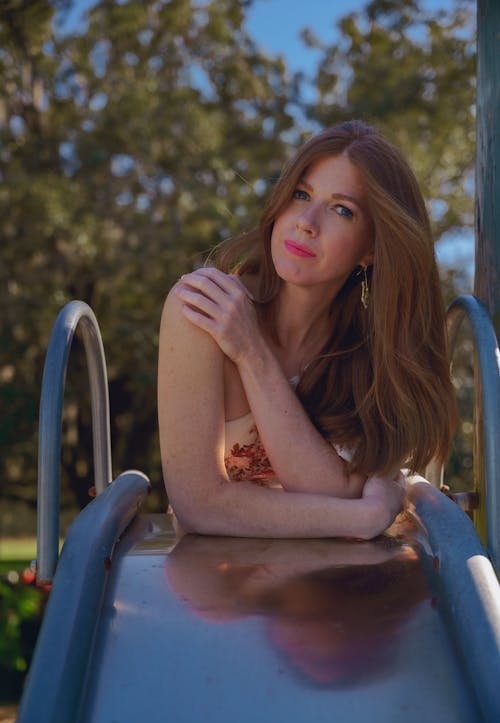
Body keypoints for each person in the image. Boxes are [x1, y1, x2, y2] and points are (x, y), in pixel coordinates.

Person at [157, 120, 456, 539]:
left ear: (371, 248)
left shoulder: (373, 351)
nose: (306, 222)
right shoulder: (204, 308)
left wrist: (253, 354)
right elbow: (200, 505)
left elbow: (337, 490)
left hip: (338, 587)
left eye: (342, 210)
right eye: (301, 194)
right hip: (211, 588)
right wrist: (364, 518)